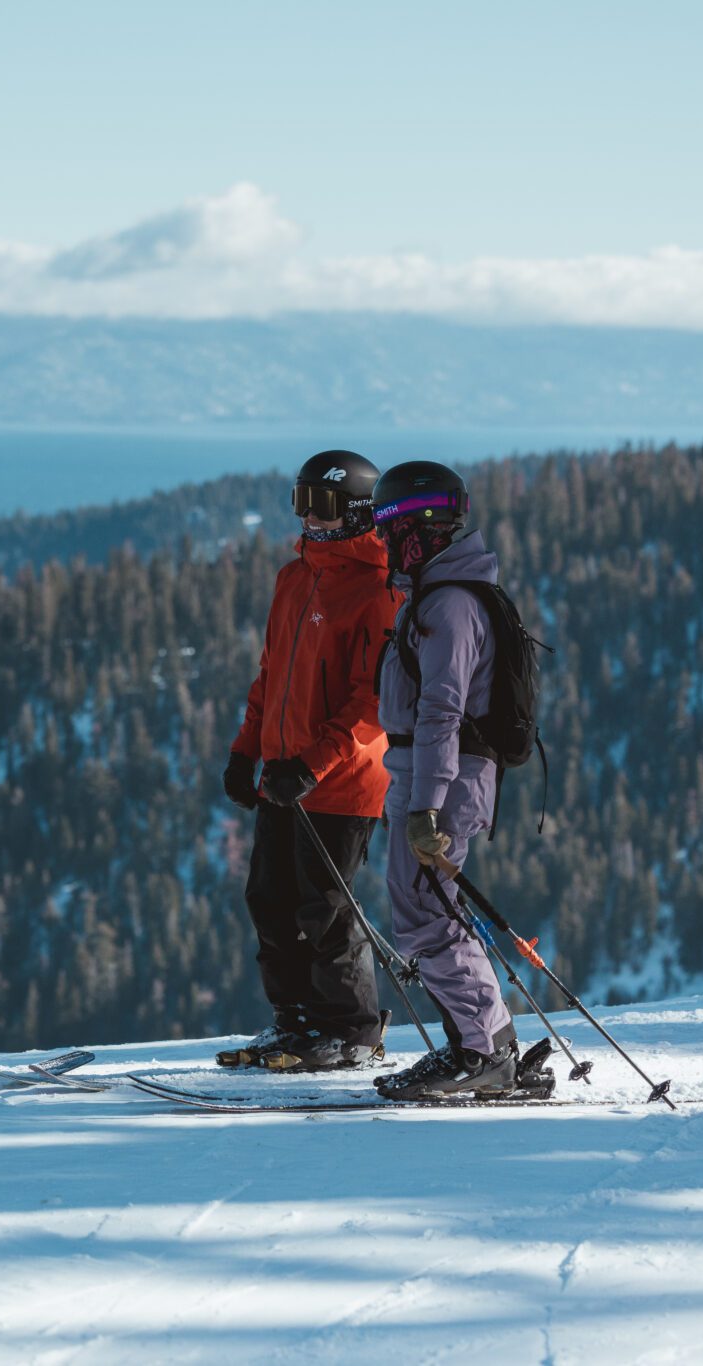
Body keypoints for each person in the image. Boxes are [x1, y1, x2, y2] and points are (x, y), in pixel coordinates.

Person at [220, 450, 401, 1071]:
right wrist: (247, 752)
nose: (309, 520)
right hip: (284, 773)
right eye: (301, 504)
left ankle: (351, 1029)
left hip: (343, 779)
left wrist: (313, 764)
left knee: (324, 906)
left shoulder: (378, 590)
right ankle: (296, 1024)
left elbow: (371, 701)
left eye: (321, 507)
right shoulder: (293, 578)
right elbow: (271, 674)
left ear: (355, 513)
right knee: (269, 899)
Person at [367, 460, 520, 1100]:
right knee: (426, 909)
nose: (380, 541)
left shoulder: (450, 604)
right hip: (427, 773)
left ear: (419, 528)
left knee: (428, 914)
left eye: (388, 527)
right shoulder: (436, 595)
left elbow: (442, 709)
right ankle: (486, 1042)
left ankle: (482, 1052)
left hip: (444, 779)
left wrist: (426, 805)